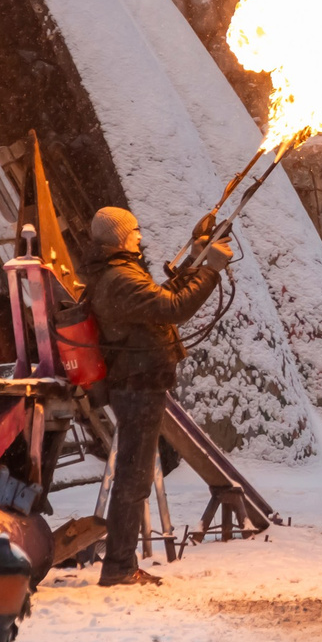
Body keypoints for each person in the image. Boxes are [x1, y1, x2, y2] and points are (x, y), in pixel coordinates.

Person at [87, 206, 228, 587]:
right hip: (137, 386)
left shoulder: (119, 273)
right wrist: (211, 270)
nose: (139, 236)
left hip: (138, 383)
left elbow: (158, 299)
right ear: (119, 237)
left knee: (134, 478)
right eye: (133, 231)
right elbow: (172, 308)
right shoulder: (119, 277)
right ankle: (118, 567)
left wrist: (195, 264)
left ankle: (120, 563)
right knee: (133, 479)